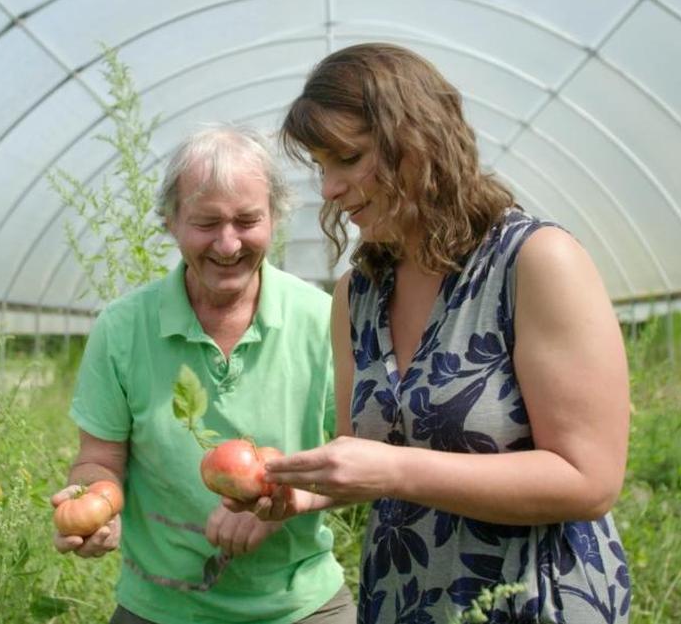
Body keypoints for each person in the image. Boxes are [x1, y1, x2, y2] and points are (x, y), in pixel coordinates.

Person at [230, 43, 632, 623]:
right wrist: (299, 493)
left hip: (529, 601)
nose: (329, 190)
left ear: (417, 140)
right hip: (405, 595)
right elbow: (364, 458)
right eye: (321, 167)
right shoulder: (359, 294)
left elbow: (588, 480)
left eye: (347, 158)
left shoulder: (533, 263)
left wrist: (395, 470)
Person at [50, 124, 356, 623]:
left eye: (247, 220)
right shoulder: (123, 328)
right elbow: (99, 458)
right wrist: (95, 504)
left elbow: (355, 458)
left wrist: (284, 505)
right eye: (206, 223)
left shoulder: (320, 319)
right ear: (171, 222)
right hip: (161, 607)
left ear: (275, 219)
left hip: (301, 605)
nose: (229, 244)